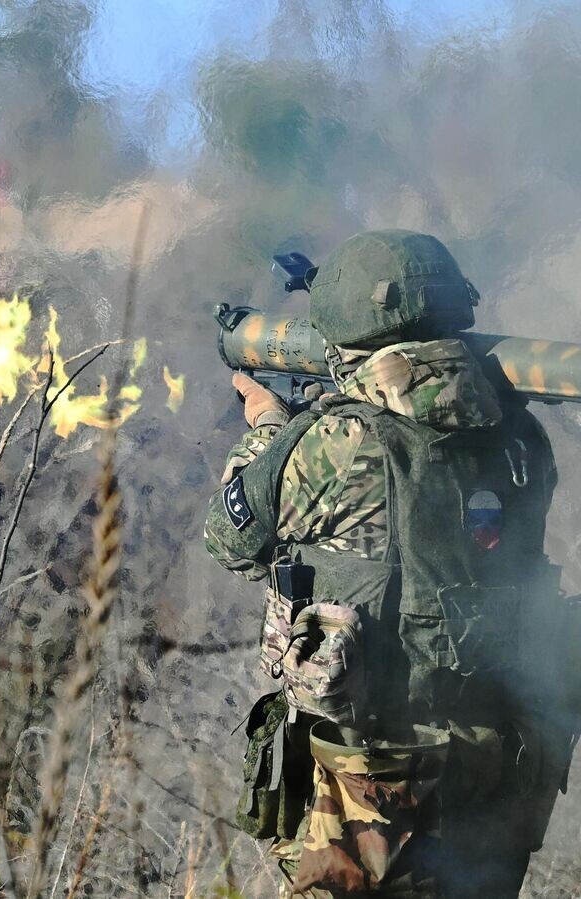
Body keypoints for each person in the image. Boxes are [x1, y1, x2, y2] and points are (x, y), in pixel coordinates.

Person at [204, 230, 578, 897]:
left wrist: (267, 428)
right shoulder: (521, 437)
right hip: (497, 784)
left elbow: (230, 539)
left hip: (374, 811)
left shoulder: (338, 442)